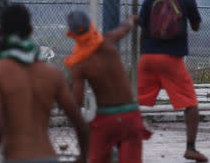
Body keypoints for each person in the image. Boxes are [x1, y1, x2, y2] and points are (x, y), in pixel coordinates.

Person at [0, 4, 89, 163]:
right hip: (48, 157)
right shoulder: (52, 74)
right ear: (30, 30)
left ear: (0, 32)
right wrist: (82, 157)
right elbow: (80, 125)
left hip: (16, 157)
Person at [138, 0, 208, 162]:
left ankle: (120, 142)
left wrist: (144, 55)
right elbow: (195, 27)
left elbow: (143, 31)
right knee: (191, 103)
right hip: (172, 58)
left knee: (135, 102)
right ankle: (190, 148)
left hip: (148, 57)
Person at [64, 10, 151, 163]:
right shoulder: (108, 41)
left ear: (71, 34)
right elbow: (125, 27)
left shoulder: (78, 64)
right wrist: (132, 19)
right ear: (91, 25)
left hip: (106, 120)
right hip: (131, 115)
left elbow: (76, 103)